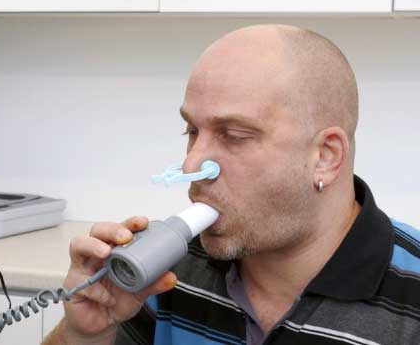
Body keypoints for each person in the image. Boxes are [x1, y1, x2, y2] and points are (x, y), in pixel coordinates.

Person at [43, 25, 420, 345]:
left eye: (235, 136)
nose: (192, 164)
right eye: (191, 131)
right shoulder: (165, 275)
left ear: (325, 156)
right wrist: (85, 333)